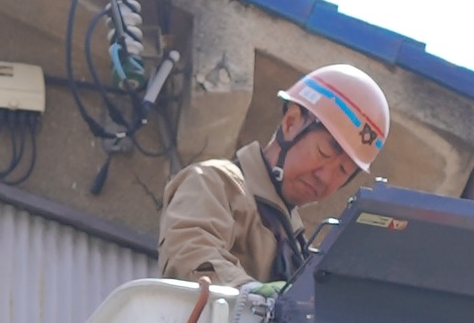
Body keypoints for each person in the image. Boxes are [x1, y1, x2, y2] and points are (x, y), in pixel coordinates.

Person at [158, 64, 390, 286]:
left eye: (343, 171)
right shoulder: (213, 182)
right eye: (324, 152)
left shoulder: (298, 247)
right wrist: (251, 294)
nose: (325, 177)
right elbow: (190, 254)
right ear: (291, 123)